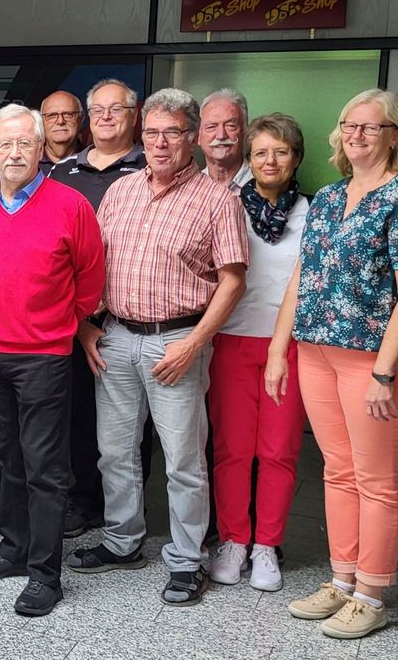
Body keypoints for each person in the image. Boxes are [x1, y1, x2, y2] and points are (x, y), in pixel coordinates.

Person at [69, 88, 248, 607]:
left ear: (192, 137)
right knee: (115, 451)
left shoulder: (218, 198)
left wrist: (195, 344)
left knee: (183, 459)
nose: (161, 142)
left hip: (178, 340)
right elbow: (92, 267)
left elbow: (233, 281)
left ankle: (187, 560)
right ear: (139, 136)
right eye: (152, 132)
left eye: (172, 132)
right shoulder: (122, 192)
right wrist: (85, 327)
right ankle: (123, 541)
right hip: (117, 337)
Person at [0, 104, 104, 616]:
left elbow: (90, 280)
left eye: (25, 143)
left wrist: (61, 321)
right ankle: (14, 551)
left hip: (43, 355)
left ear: (42, 149)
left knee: (45, 466)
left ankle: (46, 574)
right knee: (4, 460)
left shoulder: (70, 205)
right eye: (6, 144)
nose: (15, 152)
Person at [268, 89, 398, 640]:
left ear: (393, 134)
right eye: (349, 125)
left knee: (378, 481)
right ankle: (342, 581)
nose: (357, 135)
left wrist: (384, 373)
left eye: (371, 126)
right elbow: (303, 275)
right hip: (316, 352)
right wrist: (279, 349)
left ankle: (372, 590)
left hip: (370, 358)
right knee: (337, 471)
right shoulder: (328, 196)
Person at [207, 114, 310, 592]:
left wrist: (281, 346)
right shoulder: (227, 206)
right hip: (231, 342)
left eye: (281, 151)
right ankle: (233, 540)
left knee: (279, 450)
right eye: (261, 152)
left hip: (287, 347)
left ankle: (267, 545)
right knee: (231, 451)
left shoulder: (315, 212)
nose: (271, 160)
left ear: (297, 159)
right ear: (249, 160)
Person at [49, 77, 147, 539]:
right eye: (100, 110)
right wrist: (80, 319)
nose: (107, 118)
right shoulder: (61, 171)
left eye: (118, 109)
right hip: (71, 317)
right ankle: (80, 500)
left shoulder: (151, 167)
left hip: (131, 317)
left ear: (135, 115)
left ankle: (128, 510)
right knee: (75, 414)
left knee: (130, 425)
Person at [200, 89, 252, 193]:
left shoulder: (265, 186)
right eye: (211, 127)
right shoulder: (189, 189)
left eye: (231, 126)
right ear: (198, 136)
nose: (221, 136)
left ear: (245, 132)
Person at [39, 91, 84, 174]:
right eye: (52, 115)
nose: (60, 121)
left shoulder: (93, 162)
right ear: (41, 122)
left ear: (81, 119)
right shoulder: (30, 164)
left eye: (68, 114)